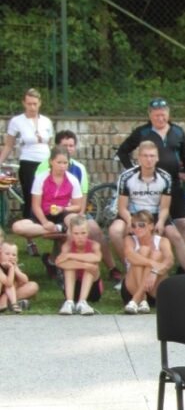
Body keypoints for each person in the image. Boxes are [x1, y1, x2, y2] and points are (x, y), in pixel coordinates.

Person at [116, 99, 185, 274]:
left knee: (182, 224)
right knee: (156, 227)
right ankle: (142, 265)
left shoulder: (177, 131)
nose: (160, 118)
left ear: (169, 114)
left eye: (163, 115)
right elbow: (122, 151)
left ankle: (182, 267)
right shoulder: (142, 132)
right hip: (148, 184)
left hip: (173, 183)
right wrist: (134, 170)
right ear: (149, 115)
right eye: (156, 115)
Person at [35, 131, 121, 283]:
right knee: (70, 231)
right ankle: (67, 268)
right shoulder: (43, 167)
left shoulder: (79, 168)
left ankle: (112, 268)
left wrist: (80, 216)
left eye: (71, 146)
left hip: (72, 210)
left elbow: (83, 195)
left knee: (94, 229)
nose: (68, 149)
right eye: (65, 145)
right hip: (49, 212)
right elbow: (39, 197)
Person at [109, 140, 185, 274]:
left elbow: (164, 208)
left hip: (154, 214)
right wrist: (130, 221)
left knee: (176, 236)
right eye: (145, 156)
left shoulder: (165, 178)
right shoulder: (126, 177)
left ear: (157, 158)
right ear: (139, 158)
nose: (149, 160)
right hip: (132, 213)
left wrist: (161, 221)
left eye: (152, 156)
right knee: (115, 231)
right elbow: (122, 207)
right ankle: (130, 268)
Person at [0, 89, 54, 242]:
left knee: (47, 196)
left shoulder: (46, 121)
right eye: (29, 104)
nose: (32, 107)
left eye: (35, 104)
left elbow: (50, 144)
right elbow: (9, 145)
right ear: (24, 103)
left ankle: (47, 229)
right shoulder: (17, 121)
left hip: (46, 162)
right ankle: (29, 238)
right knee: (30, 198)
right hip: (28, 162)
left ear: (40, 103)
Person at [12, 146, 84, 243]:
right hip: (43, 215)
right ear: (51, 162)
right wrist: (45, 222)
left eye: (65, 163)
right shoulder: (41, 178)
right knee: (17, 227)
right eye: (59, 162)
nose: (62, 166)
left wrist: (63, 209)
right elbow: (35, 205)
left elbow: (78, 206)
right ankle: (59, 229)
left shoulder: (73, 180)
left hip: (63, 215)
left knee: (75, 221)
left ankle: (61, 229)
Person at [121, 210, 174, 314]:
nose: (137, 228)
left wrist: (154, 272)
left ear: (151, 226)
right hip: (132, 287)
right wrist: (153, 264)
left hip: (154, 287)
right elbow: (130, 256)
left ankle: (137, 299)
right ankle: (142, 298)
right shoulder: (129, 239)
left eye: (141, 225)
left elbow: (169, 261)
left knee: (157, 254)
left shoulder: (163, 241)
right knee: (143, 251)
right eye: (133, 226)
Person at [55, 214, 102, 316]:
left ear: (88, 232)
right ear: (71, 234)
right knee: (70, 267)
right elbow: (59, 262)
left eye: (83, 233)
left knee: (91, 265)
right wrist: (85, 265)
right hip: (73, 287)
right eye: (76, 233)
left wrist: (70, 255)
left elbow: (96, 258)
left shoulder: (94, 245)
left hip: (92, 289)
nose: (80, 237)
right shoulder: (67, 246)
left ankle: (82, 302)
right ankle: (69, 302)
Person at [0, 240, 38, 312]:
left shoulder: (12, 265)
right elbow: (9, 283)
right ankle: (10, 304)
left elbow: (25, 280)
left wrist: (15, 269)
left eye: (14, 255)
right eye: (7, 254)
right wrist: (11, 269)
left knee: (33, 286)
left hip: (7, 293)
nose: (10, 257)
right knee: (11, 283)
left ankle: (5, 302)